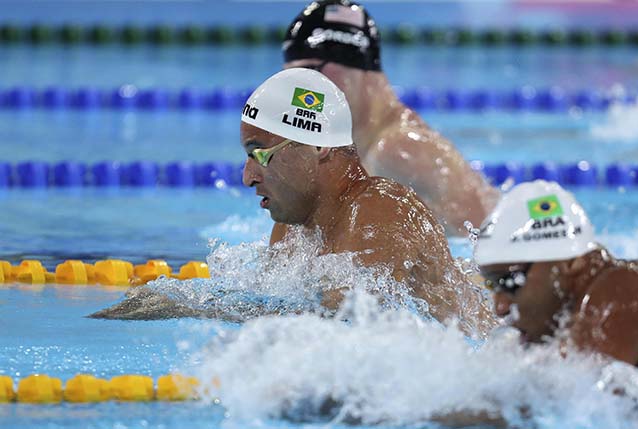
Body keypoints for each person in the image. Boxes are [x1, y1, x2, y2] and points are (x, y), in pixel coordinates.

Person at [93, 68, 494, 337]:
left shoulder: (381, 208)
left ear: (317, 144)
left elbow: (341, 321)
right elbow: (278, 305)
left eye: (259, 152)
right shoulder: (294, 222)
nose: (248, 175)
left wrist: (191, 308)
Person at [464, 180, 638, 425]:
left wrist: (436, 413)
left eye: (510, 281)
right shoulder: (580, 307)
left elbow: (551, 404)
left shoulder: (623, 293)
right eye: (492, 285)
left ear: (569, 263)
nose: (500, 306)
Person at [281, 0, 499, 235]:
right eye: (293, 78)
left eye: (310, 71)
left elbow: (486, 245)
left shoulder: (398, 149)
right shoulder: (365, 143)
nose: (302, 91)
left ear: (354, 65)